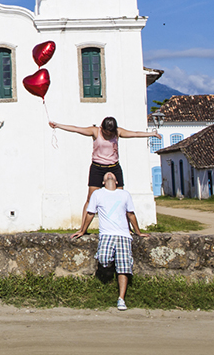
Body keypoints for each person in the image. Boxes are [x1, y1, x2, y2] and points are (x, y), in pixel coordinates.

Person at [48, 115, 155, 229]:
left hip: (114, 167)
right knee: (90, 198)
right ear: (102, 128)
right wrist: (58, 125)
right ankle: (83, 229)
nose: (108, 135)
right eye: (106, 132)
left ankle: (126, 228)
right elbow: (76, 129)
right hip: (97, 168)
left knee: (121, 198)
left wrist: (151, 134)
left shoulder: (118, 132)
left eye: (110, 133)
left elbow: (135, 134)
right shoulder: (95, 131)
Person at [71, 170, 149, 310]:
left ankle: (121, 299)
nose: (109, 174)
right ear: (103, 182)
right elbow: (90, 213)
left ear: (117, 181)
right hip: (107, 234)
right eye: (107, 175)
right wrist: (83, 230)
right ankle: (113, 265)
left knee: (124, 267)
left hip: (123, 235)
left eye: (112, 174)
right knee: (103, 258)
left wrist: (138, 232)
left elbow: (131, 214)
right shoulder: (98, 194)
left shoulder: (124, 194)